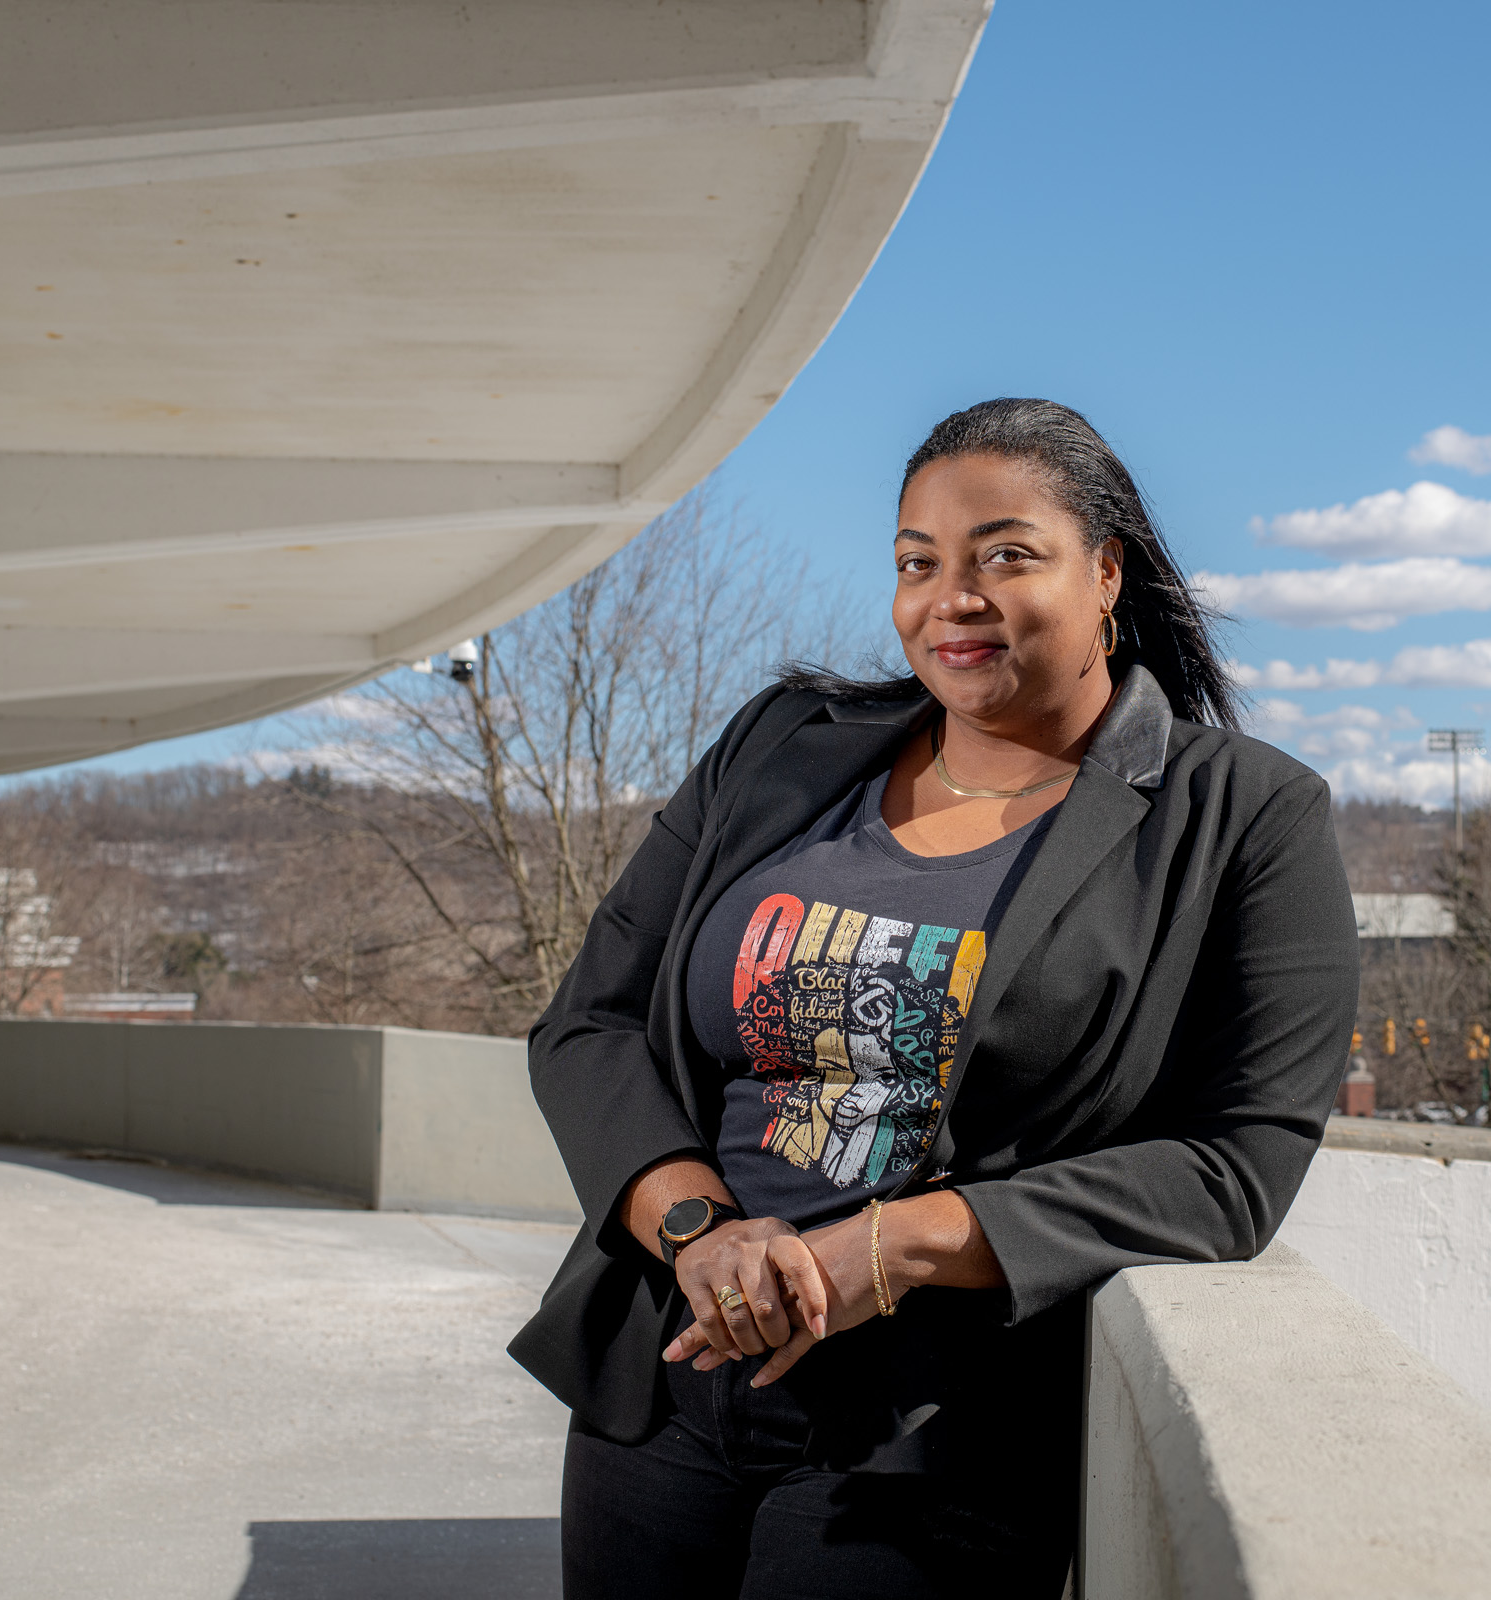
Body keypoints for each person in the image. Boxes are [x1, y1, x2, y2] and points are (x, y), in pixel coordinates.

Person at [511, 398, 1360, 1599]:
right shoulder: (782, 747)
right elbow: (590, 1023)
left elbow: (1234, 1167)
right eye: (918, 562)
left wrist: (890, 1247)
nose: (950, 597)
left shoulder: (1241, 816)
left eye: (1006, 555)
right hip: (670, 1372)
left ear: (1105, 571)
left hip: (930, 1428)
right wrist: (699, 1230)